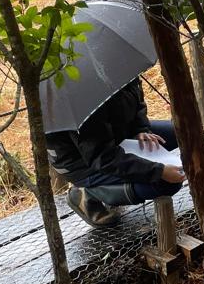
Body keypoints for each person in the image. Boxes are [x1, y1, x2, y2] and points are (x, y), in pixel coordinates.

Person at [45, 78, 185, 227]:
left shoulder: (115, 68)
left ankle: (119, 180)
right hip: (85, 163)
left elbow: (137, 101)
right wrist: (159, 171)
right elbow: (104, 157)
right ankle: (87, 193)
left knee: (181, 133)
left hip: (114, 136)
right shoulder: (80, 97)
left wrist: (140, 130)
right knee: (167, 184)